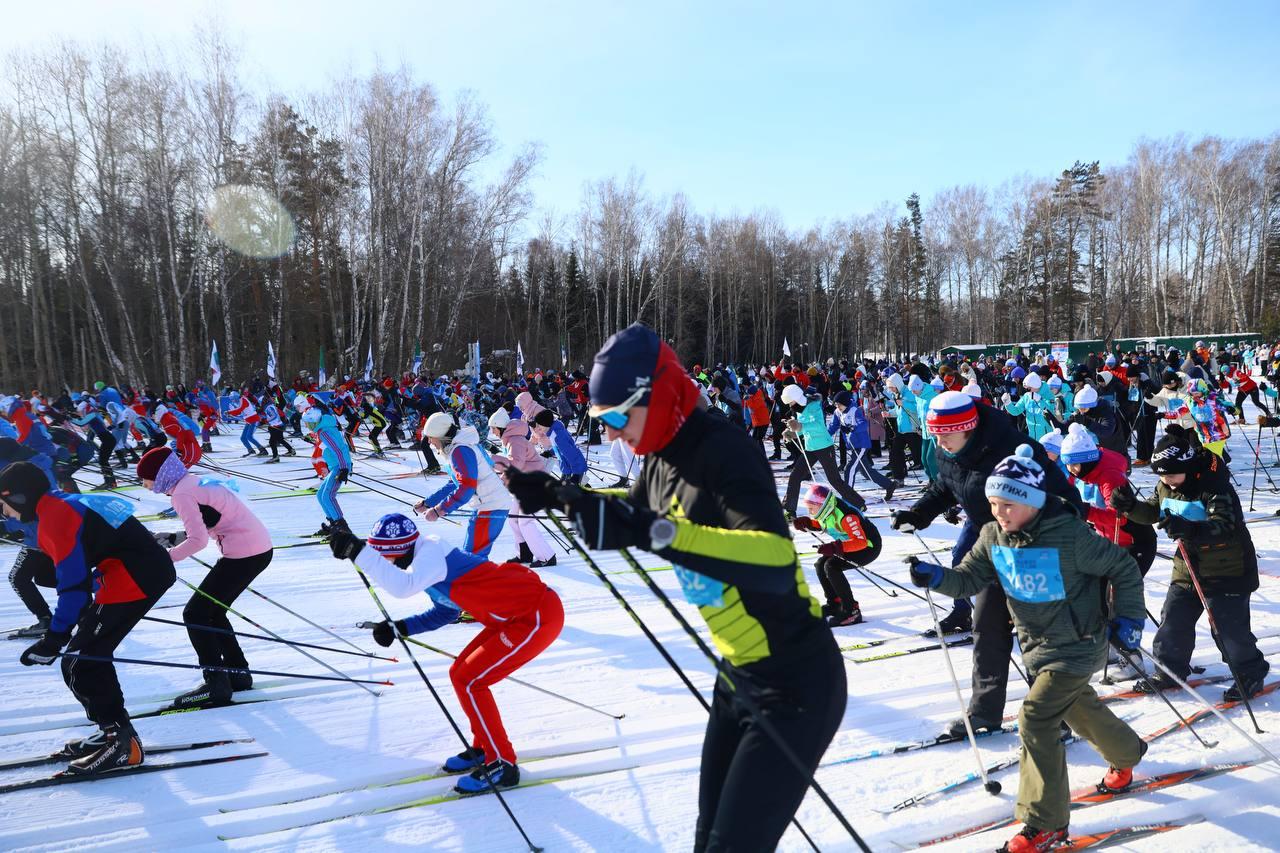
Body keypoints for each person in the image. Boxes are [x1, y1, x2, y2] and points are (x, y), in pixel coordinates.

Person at [504, 323, 845, 853]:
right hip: (738, 675)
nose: (610, 435)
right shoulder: (661, 456)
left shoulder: (723, 448)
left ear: (656, 397)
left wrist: (654, 531)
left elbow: (774, 558)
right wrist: (559, 495)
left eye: (617, 418)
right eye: (602, 421)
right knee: (707, 841)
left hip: (796, 681)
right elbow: (635, 514)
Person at [905, 445, 1147, 853]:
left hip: (1079, 643)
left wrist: (1130, 619)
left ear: (1033, 501)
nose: (999, 512)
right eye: (993, 504)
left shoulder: (1070, 535)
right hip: (1036, 646)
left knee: (1035, 718)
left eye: (1008, 504)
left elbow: (1122, 567)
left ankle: (1046, 823)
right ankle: (1127, 754)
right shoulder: (992, 536)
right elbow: (968, 579)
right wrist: (937, 577)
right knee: (1077, 707)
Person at [892, 391, 1085, 737]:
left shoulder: (1014, 451)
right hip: (992, 549)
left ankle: (1055, 717)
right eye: (935, 435)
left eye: (945, 435)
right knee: (986, 629)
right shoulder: (948, 451)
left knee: (1038, 640)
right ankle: (984, 713)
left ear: (968, 428)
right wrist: (917, 514)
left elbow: (1069, 502)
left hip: (1033, 554)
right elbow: (945, 486)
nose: (939, 442)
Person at [328, 513, 563, 793]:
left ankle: (503, 763)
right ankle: (484, 747)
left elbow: (402, 587)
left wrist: (359, 552)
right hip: (512, 619)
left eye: (385, 557)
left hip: (536, 616)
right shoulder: (426, 563)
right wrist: (401, 627)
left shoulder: (430, 553)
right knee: (460, 674)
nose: (385, 564)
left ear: (399, 549)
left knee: (473, 681)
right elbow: (446, 611)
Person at [2, 460, 175, 774]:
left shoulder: (55, 515)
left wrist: (54, 638)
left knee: (82, 661)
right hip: (131, 571)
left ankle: (122, 744)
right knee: (86, 657)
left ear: (19, 497)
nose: (4, 514)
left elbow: (74, 588)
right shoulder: (56, 504)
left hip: (136, 576)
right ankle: (112, 733)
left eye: (3, 505)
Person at [1109, 425, 1269, 700]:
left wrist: (1190, 528)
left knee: (1227, 628)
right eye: (1162, 476)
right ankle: (1169, 670)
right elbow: (1152, 511)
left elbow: (1225, 526)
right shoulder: (1165, 485)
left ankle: (1249, 671)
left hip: (1227, 569)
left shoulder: (1215, 487)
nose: (1167, 481)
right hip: (1187, 566)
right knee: (1174, 619)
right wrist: (1130, 506)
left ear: (1187, 466)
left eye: (1172, 475)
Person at [136, 447, 274, 708]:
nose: (144, 485)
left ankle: (215, 683)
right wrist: (174, 537)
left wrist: (164, 559)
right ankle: (237, 674)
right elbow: (211, 520)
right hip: (257, 549)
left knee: (195, 613)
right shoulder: (190, 482)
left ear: (160, 475)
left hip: (243, 553)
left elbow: (198, 541)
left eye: (146, 479)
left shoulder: (181, 494)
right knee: (213, 613)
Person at [1059, 423, 1157, 577]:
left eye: (1074, 465)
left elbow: (1118, 518)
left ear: (1088, 460)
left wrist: (1085, 511)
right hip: (1108, 540)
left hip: (1134, 541)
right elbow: (1067, 491)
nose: (1071, 470)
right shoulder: (1082, 472)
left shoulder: (1109, 477)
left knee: (1123, 588)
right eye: (1067, 465)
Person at [416, 412, 509, 557]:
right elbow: (455, 483)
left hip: (491, 506)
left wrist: (439, 510)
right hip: (486, 505)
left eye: (430, 437)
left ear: (440, 436)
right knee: (471, 556)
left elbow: (467, 487)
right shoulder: (458, 448)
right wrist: (429, 503)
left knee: (472, 558)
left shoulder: (461, 450)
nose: (429, 442)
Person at [791, 481, 882, 626]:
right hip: (850, 544)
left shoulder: (847, 516)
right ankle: (835, 603)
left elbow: (861, 542)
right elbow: (827, 524)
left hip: (869, 547)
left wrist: (835, 547)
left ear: (822, 505)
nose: (810, 512)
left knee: (832, 566)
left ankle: (851, 610)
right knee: (820, 564)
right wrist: (808, 523)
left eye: (811, 509)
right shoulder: (828, 509)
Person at [781, 382, 865, 516]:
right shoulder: (799, 410)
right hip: (810, 448)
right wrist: (792, 433)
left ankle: (859, 503)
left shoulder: (814, 406)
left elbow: (818, 426)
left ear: (797, 398)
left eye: (791, 402)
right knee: (795, 476)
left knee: (834, 480)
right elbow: (802, 429)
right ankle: (790, 509)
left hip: (824, 447)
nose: (790, 406)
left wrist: (800, 426)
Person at [488, 407, 557, 568]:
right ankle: (524, 554)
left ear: (501, 427)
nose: (492, 432)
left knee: (525, 522)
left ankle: (547, 556)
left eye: (493, 428)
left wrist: (493, 460)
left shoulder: (515, 441)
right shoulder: (512, 439)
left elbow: (515, 465)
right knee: (514, 519)